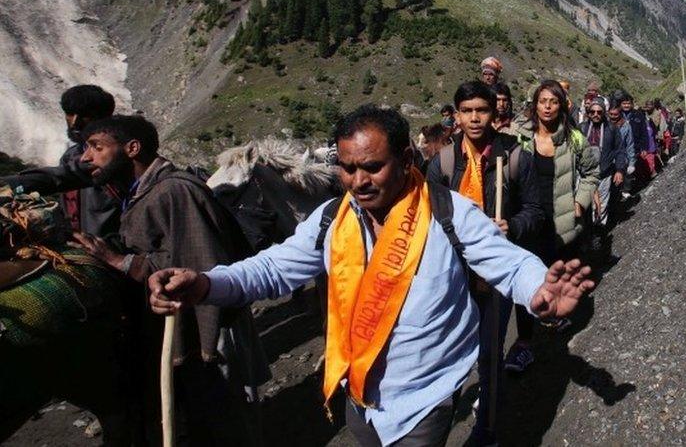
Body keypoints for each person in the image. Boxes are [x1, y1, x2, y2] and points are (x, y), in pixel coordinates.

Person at [146, 106, 594, 447]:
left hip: (424, 398)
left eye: (372, 167)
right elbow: (273, 269)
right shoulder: (331, 220)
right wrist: (204, 284)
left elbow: (509, 263)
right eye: (347, 167)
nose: (358, 181)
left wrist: (540, 292)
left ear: (404, 158)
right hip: (357, 393)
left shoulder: (449, 213)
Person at [70, 115, 269, 446]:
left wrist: (119, 261)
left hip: (208, 329)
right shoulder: (145, 192)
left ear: (132, 148)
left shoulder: (174, 191)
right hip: (186, 325)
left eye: (97, 147)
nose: (85, 157)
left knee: (227, 425)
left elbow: (200, 266)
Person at [426, 82, 543, 444]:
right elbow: (424, 216)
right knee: (445, 351)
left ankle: (487, 430)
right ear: (457, 115)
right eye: (467, 110)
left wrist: (513, 225)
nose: (475, 118)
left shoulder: (516, 157)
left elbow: (536, 211)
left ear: (495, 113)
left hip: (493, 273)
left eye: (482, 110)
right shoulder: (443, 163)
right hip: (451, 275)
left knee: (490, 354)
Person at [508, 80, 599, 372]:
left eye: (553, 102)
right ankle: (523, 345)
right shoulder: (519, 136)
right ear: (534, 104)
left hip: (560, 220)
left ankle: (553, 315)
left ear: (562, 105)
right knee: (526, 280)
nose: (547, 107)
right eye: (542, 101)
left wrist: (580, 202)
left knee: (552, 273)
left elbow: (591, 172)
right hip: (527, 219)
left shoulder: (573, 139)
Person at [1, 85, 119, 241]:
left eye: (85, 115)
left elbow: (62, 176)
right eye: (70, 113)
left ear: (105, 117)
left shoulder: (117, 155)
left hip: (115, 252)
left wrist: (8, 184)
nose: (74, 123)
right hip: (81, 245)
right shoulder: (71, 156)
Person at [580, 100, 626, 228]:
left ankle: (598, 232)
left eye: (599, 112)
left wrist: (620, 170)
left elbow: (620, 150)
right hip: (584, 175)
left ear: (603, 113)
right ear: (588, 113)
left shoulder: (612, 129)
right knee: (585, 205)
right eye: (592, 112)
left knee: (602, 203)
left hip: (604, 174)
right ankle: (585, 233)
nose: (596, 114)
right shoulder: (581, 128)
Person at [607, 100, 636, 200]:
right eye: (611, 114)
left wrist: (632, 162)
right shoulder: (604, 125)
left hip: (621, 159)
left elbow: (630, 144)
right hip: (607, 160)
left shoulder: (626, 126)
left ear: (620, 114)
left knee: (618, 184)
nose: (613, 117)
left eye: (615, 114)